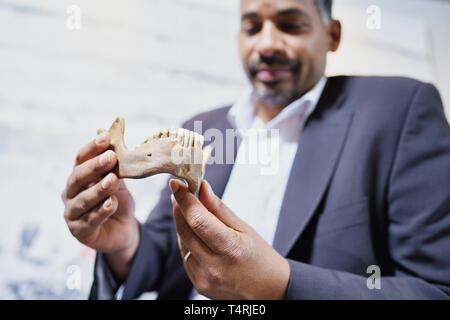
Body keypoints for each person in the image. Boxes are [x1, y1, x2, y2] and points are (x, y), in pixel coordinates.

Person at [61, 0, 450, 299]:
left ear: (332, 35)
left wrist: (281, 284)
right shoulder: (203, 127)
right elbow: (164, 256)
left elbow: (436, 289)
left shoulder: (399, 109)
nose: (266, 44)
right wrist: (124, 242)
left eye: (290, 25)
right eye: (251, 27)